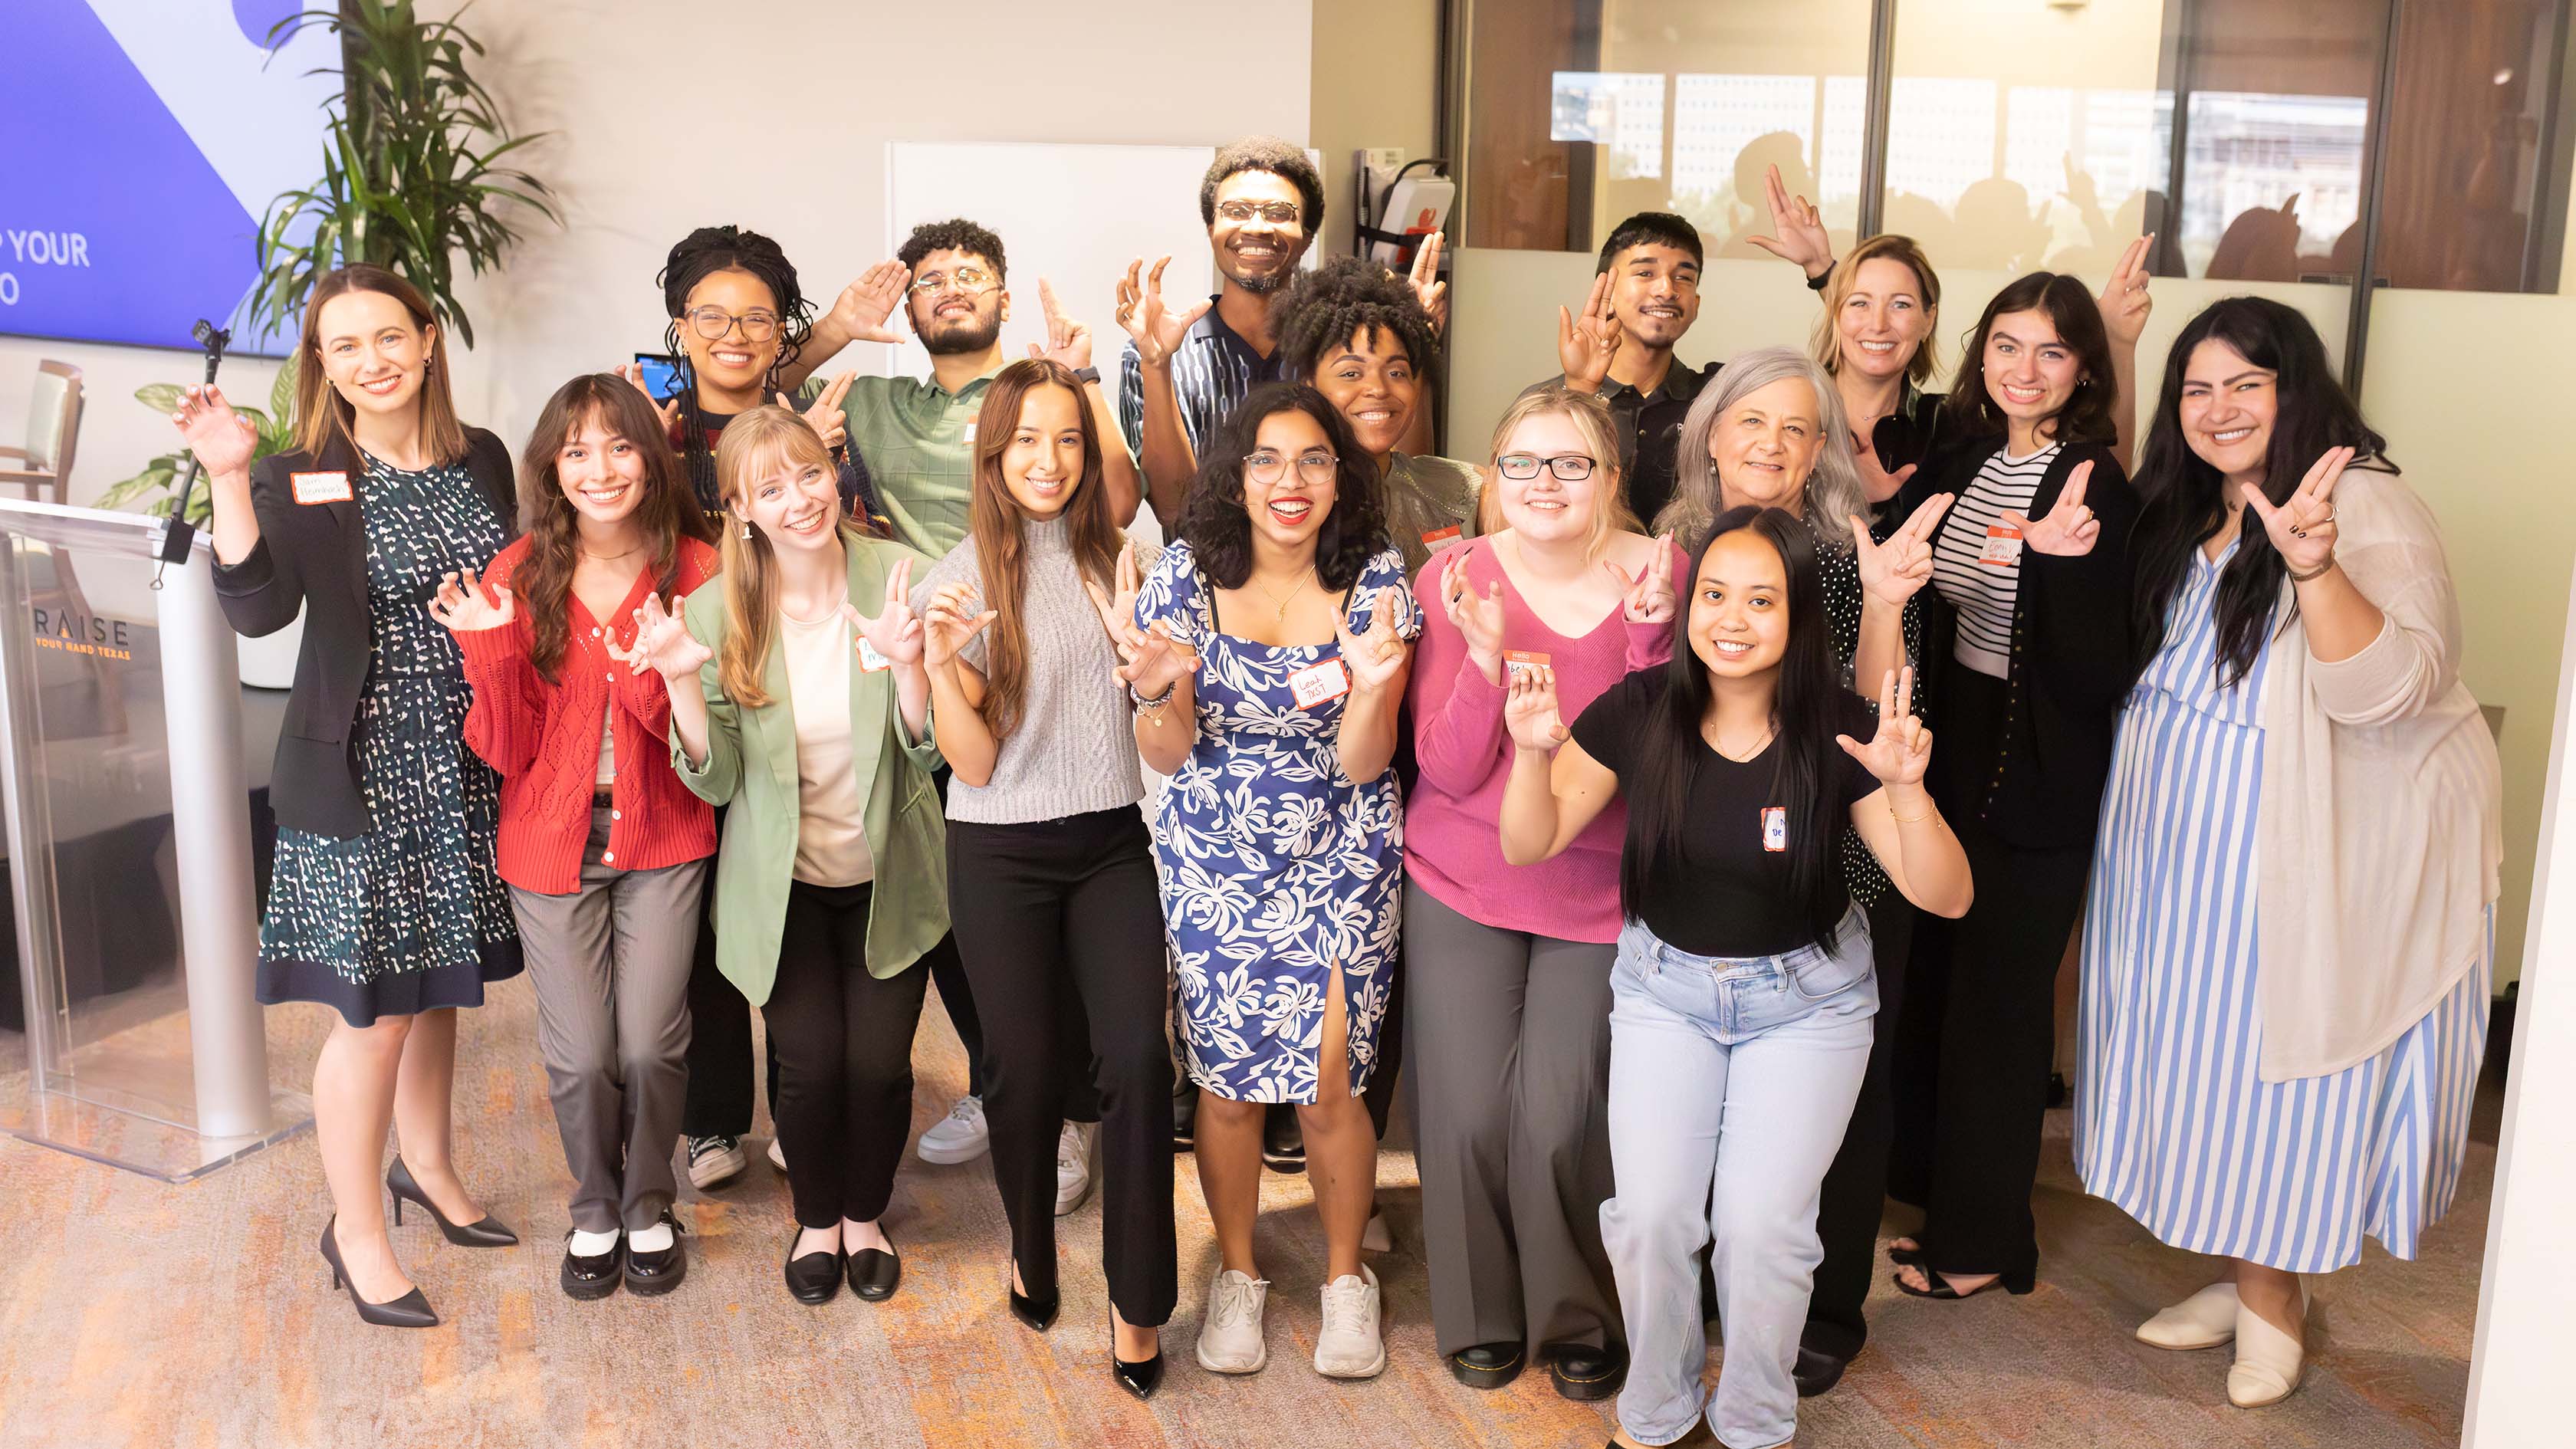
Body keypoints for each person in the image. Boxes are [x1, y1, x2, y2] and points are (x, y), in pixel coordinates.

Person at [2082, 297, 2499, 1407]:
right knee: (2197, 1058)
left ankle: (2274, 1299)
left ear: (2296, 390)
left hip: (2281, 841)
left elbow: (2393, 690)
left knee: (2273, 1066)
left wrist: (2313, 567)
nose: (2219, 410)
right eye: (2198, 388)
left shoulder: (2364, 504)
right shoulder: (2186, 506)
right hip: (2168, 842)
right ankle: (2239, 1266)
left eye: (2246, 386)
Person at [1497, 506, 1972, 1449]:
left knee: (1762, 1231)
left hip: (1809, 1005)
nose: (1732, 618)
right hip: (1667, 995)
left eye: (1762, 600)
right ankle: (1661, 1408)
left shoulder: (1841, 730)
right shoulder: (1641, 712)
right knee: (1652, 1218)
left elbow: (1947, 896)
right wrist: (1534, 749)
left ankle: (1755, 1420)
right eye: (1714, 594)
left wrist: (1907, 793)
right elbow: (1532, 840)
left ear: (1799, 617)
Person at [174, 264, 521, 1328]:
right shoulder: (301, 472)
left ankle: (430, 1165)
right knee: (372, 1011)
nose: (372, 360)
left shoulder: (484, 457)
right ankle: (355, 1225)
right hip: (361, 765)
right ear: (323, 365)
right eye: (343, 346)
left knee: (438, 984)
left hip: (463, 756)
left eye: (388, 337)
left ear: (427, 340)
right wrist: (231, 478)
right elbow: (257, 608)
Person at [787, 216, 1137, 1185]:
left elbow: (1117, 504)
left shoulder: (1035, 393)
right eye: (929, 278)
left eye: (970, 274)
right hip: (923, 650)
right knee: (949, 902)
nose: (949, 288)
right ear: (908, 304)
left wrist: (1088, 381)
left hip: (1041, 657)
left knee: (1051, 899)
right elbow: (763, 429)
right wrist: (830, 337)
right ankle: (1002, 1080)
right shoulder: (879, 399)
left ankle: (1063, 1112)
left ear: (1002, 296)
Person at [1652, 347, 1951, 1392]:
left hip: (1840, 863)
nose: (1770, 445)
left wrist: (1878, 604)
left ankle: (1827, 1305)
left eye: (1796, 428)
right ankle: (1698, 1290)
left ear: (1821, 449)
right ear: (1712, 433)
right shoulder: (1671, 545)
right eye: (1751, 421)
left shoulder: (1846, 554)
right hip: (1700, 868)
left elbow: (1876, 716)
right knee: (1700, 1102)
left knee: (1840, 1101)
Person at [1127, 383, 1418, 1379]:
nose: (1289, 481)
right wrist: (1159, 685)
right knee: (1227, 1081)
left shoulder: (1377, 576)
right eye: (1266, 460)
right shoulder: (1183, 574)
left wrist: (1376, 687)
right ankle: (1240, 1272)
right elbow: (1165, 751)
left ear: (1342, 478)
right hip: (1214, 852)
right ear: (1235, 475)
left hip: (1343, 842)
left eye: (1312, 460)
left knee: (1333, 1074)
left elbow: (1363, 761)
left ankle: (1346, 1278)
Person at [623, 406, 947, 1307]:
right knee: (807, 1064)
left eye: (811, 473)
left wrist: (913, 668)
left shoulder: (897, 577)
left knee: (880, 1068)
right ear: (739, 506)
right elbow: (718, 780)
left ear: (833, 471)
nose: (801, 498)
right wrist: (684, 681)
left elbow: (932, 754)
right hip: (785, 887)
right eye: (771, 487)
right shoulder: (718, 607)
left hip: (892, 877)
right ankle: (815, 1216)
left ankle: (864, 1214)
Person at [1404, 385, 1682, 1401]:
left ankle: (1577, 1309)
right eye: (1522, 463)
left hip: (1600, 889)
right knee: (1472, 1111)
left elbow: (1666, 755)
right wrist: (1483, 661)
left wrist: (1651, 642)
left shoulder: (1663, 577)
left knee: (1560, 1115)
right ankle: (1480, 1312)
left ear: (1613, 477)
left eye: (1571, 463)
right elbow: (1443, 764)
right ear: (1493, 474)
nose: (1545, 484)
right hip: (1464, 877)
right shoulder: (1454, 576)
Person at [909, 358, 1175, 1398]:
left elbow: (1159, 740)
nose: (1050, 460)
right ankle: (1028, 1242)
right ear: (994, 452)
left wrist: (1144, 669)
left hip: (1113, 841)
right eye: (1027, 439)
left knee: (1136, 1065)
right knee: (1016, 1068)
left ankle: (1139, 1300)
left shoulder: (1135, 557)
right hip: (1000, 849)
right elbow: (972, 765)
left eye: (1068, 438)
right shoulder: (960, 576)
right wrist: (938, 663)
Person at [435, 374, 721, 1300]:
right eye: (577, 452)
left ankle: (648, 1201)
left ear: (652, 456)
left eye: (620, 447)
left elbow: (699, 739)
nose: (600, 470)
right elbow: (510, 752)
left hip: (666, 837)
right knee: (579, 1055)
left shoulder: (699, 572)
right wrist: (491, 650)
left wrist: (653, 667)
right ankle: (593, 1206)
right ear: (551, 468)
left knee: (648, 1044)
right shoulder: (515, 573)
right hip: (549, 843)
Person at [1885, 272, 2141, 1303]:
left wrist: (2063, 570)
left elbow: (2097, 671)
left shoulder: (2094, 483)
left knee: (2000, 1012)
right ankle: (1933, 1194)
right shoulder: (1970, 453)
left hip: (2037, 768)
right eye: (2005, 344)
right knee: (1938, 989)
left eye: (2050, 351)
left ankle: (1985, 1241)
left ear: (2082, 369)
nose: (2022, 369)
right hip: (1953, 748)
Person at [627, 223, 878, 1193]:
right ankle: (716, 1114)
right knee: (708, 907)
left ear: (785, 330)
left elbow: (845, 533)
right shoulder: (648, 418)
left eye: (759, 319)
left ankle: (803, 1103)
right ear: (679, 326)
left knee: (792, 891)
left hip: (796, 678)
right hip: (687, 670)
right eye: (712, 317)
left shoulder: (810, 423)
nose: (735, 334)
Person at [1114, 136, 1325, 526]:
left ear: (1307, 235)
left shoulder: (1332, 349)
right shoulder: (1154, 355)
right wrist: (1157, 365)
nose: (1257, 227)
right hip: (1201, 583)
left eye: (1280, 212)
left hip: (1319, 579)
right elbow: (1172, 508)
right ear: (1212, 228)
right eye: (1237, 210)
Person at [1274, 253, 1481, 573]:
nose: (1379, 389)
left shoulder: (1461, 487)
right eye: (1351, 374)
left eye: (1397, 372)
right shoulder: (1281, 493)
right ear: (1310, 384)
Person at [1527, 212, 1720, 527]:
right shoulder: (1545, 402)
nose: (1666, 289)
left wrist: (1822, 275)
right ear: (1607, 293)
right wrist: (1581, 389)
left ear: (1696, 303)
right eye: (1645, 273)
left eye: (1684, 277)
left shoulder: (1718, 398)